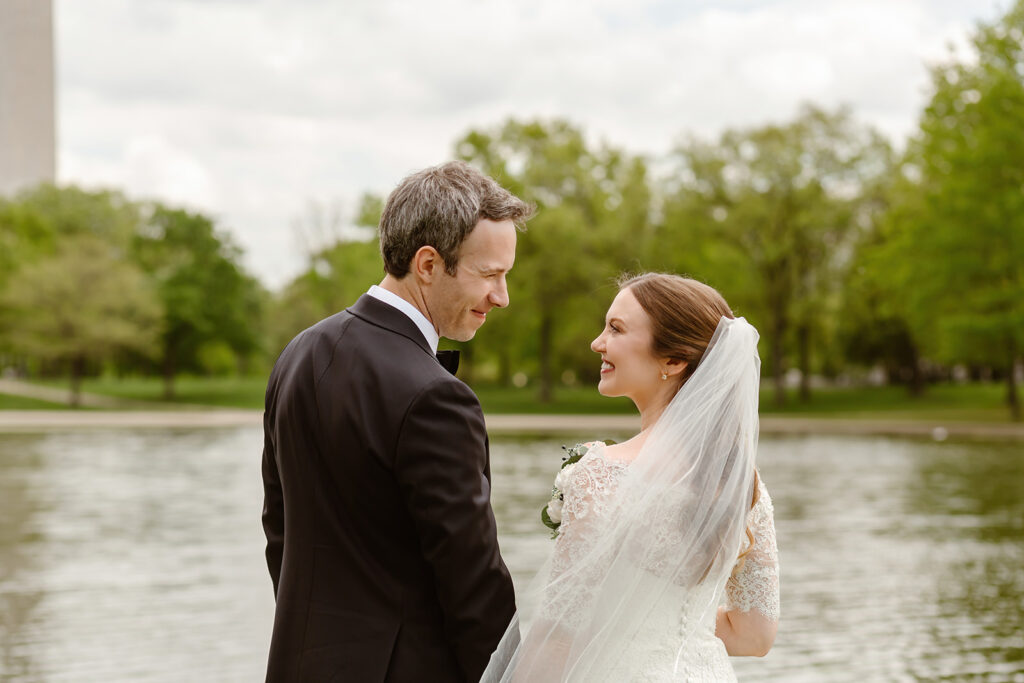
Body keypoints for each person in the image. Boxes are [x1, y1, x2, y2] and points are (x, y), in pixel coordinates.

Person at [262, 161, 534, 682]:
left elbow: (281, 532)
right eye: (490, 274)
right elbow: (472, 579)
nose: (502, 297)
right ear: (428, 265)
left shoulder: (297, 355)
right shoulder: (436, 396)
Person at [483, 273, 780, 682]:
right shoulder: (740, 483)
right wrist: (669, 618)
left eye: (616, 329)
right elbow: (755, 636)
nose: (597, 342)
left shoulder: (600, 472)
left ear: (673, 361)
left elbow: (558, 638)